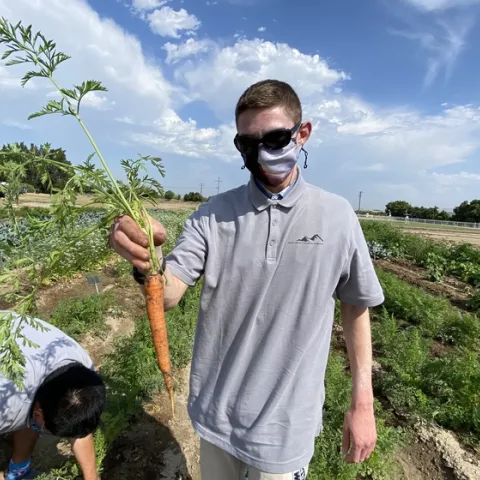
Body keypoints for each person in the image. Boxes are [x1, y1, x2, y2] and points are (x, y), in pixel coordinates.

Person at [110, 79, 385, 479]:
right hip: (215, 420)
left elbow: (356, 307)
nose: (261, 154)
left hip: (283, 433)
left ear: (302, 133)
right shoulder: (212, 215)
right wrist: (145, 261)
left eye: (274, 139)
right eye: (247, 144)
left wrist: (363, 403)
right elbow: (168, 294)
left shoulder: (338, 216)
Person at [0, 311, 105, 480]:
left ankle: (18, 470)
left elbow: (78, 424)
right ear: (38, 413)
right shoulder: (6, 402)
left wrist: (91, 477)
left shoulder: (83, 372)